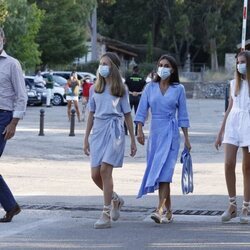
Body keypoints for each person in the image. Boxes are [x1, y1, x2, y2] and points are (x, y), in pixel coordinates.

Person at [134, 54, 191, 224]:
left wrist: (187, 139)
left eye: (166, 65)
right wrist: (139, 130)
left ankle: (159, 210)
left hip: (171, 133)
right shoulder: (150, 88)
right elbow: (142, 110)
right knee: (159, 171)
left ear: (172, 69)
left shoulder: (178, 89)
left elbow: (183, 115)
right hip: (156, 134)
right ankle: (169, 211)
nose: (163, 68)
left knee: (165, 173)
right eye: (161, 64)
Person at [83, 52, 137, 229]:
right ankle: (115, 199)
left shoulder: (121, 88)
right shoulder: (94, 88)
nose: (102, 67)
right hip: (98, 130)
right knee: (95, 175)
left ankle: (105, 213)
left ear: (113, 67)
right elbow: (91, 113)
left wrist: (133, 140)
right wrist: (86, 138)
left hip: (115, 131)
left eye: (105, 64)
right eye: (100, 64)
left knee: (106, 170)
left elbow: (128, 115)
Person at [215, 50, 250, 224]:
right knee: (229, 163)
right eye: (238, 62)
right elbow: (230, 107)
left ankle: (246, 206)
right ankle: (232, 205)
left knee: (247, 167)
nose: (239, 65)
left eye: (243, 62)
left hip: (249, 123)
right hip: (233, 124)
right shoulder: (233, 84)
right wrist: (220, 131)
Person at [0, 27, 27, 222]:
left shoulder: (12, 64)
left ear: (3, 38)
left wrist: (14, 123)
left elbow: (21, 96)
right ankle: (11, 206)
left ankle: (11, 206)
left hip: (3, 117)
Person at [124, 65, 146, 135]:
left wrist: (130, 92)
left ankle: (125, 131)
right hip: (138, 97)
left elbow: (125, 86)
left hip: (130, 96)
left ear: (133, 70)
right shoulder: (141, 79)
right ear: (138, 71)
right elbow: (145, 87)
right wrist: (138, 92)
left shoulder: (128, 78)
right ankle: (137, 131)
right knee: (138, 114)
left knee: (127, 114)